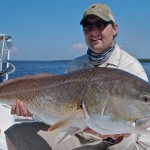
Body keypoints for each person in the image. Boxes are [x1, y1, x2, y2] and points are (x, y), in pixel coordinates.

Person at [5, 3, 150, 150]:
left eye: (100, 24)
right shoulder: (75, 66)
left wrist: (117, 138)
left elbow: (142, 141)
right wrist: (31, 111)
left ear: (114, 29)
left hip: (112, 145)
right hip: (77, 135)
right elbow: (59, 113)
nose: (94, 31)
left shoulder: (131, 68)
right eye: (88, 26)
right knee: (15, 134)